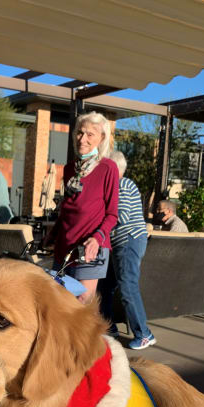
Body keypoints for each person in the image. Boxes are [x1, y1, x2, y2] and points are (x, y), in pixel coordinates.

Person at [46, 111, 119, 304]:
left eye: (90, 134)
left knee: (81, 303)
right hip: (65, 247)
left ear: (101, 138)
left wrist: (97, 238)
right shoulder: (70, 169)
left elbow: (112, 214)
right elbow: (67, 208)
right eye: (80, 132)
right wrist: (52, 234)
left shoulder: (108, 168)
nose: (83, 138)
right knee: (59, 302)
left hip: (90, 247)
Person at [102, 151, 156, 350]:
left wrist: (99, 224)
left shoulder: (121, 184)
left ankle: (144, 334)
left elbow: (120, 215)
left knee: (127, 287)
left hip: (128, 241)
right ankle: (109, 327)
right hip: (121, 243)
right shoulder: (119, 186)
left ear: (112, 169)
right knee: (106, 286)